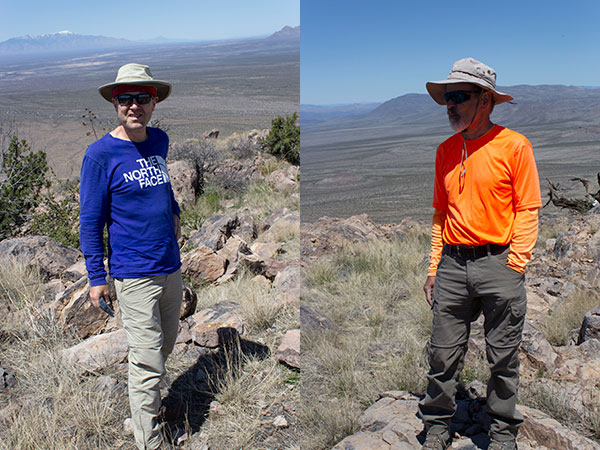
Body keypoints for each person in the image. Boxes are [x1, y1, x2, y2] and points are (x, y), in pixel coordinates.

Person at [418, 58, 542, 450]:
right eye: (447, 98)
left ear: (484, 100)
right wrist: (434, 266)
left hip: (498, 262)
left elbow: (528, 208)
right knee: (442, 354)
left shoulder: (514, 146)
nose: (450, 105)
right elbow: (441, 213)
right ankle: (437, 426)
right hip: (452, 265)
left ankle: (502, 434)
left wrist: (516, 262)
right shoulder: (444, 151)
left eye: (459, 97)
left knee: (503, 358)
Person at [80, 63, 182, 450]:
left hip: (170, 266)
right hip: (134, 272)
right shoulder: (100, 155)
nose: (134, 105)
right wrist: (96, 277)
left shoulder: (159, 141)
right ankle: (149, 440)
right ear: (115, 104)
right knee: (147, 359)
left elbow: (164, 184)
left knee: (166, 345)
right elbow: (90, 221)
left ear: (154, 102)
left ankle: (146, 409)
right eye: (126, 99)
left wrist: (174, 213)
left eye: (143, 98)